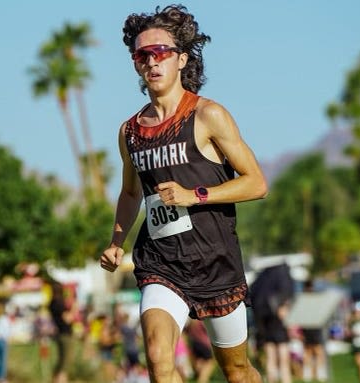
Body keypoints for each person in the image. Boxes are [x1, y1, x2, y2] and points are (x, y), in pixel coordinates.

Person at [100, 5, 268, 383]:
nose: (151, 62)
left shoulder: (209, 116)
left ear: (181, 59)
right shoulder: (129, 132)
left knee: (237, 371)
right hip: (161, 263)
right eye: (142, 55)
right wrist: (116, 241)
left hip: (216, 262)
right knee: (160, 362)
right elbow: (130, 194)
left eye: (160, 52)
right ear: (135, 64)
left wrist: (195, 195)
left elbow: (256, 182)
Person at [48, 282, 75, 383]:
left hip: (60, 334)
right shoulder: (58, 303)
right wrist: (74, 307)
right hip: (65, 334)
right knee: (65, 363)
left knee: (62, 362)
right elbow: (67, 318)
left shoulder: (52, 303)